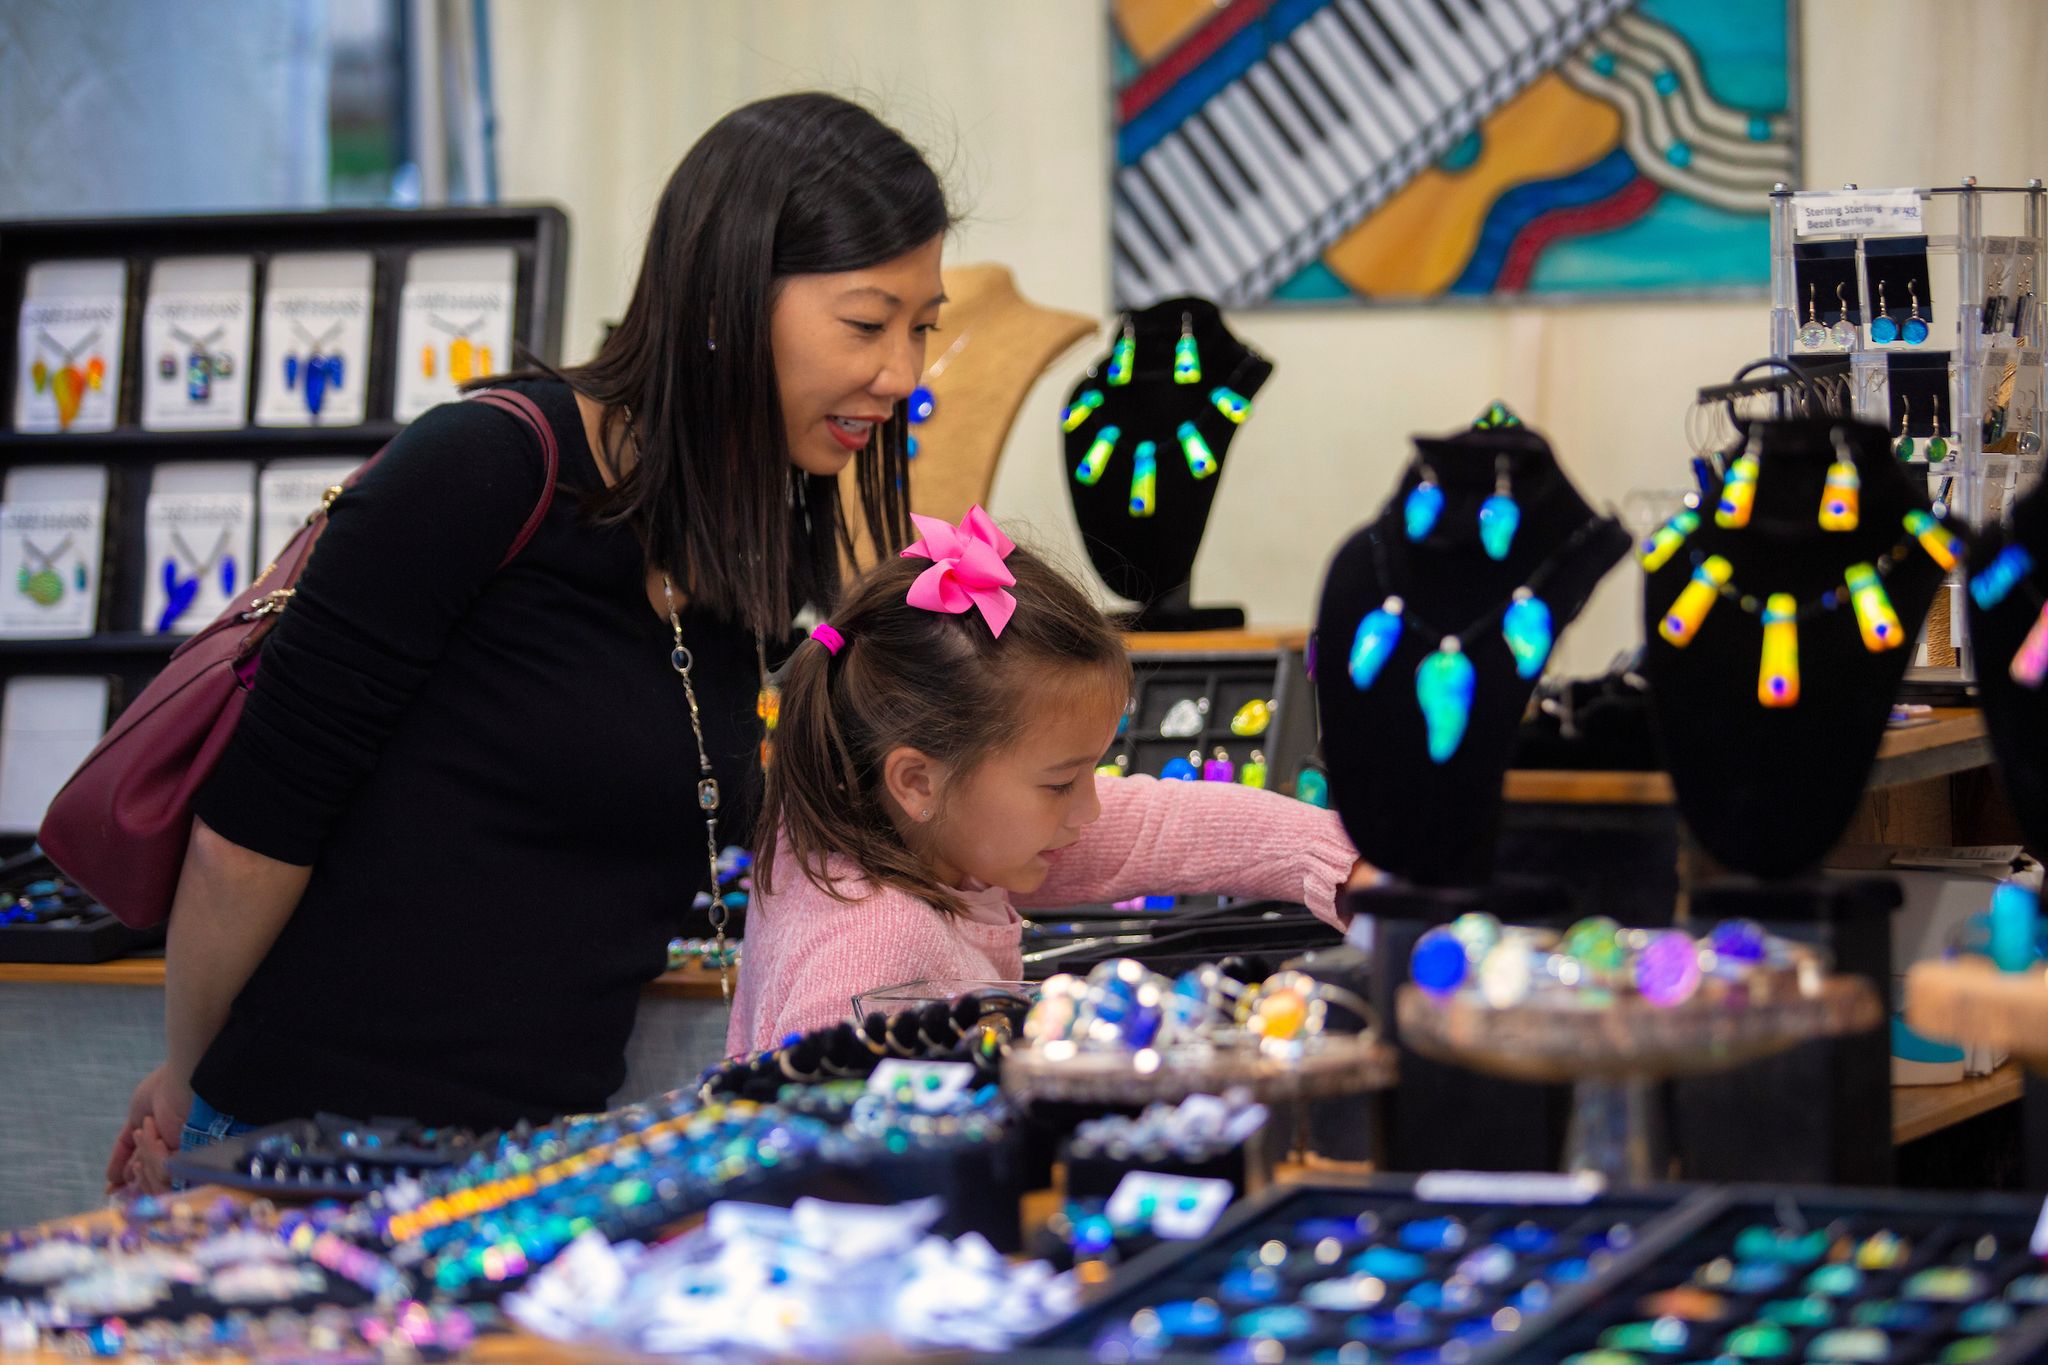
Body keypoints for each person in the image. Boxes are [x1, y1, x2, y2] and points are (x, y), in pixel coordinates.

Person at [107, 91, 951, 1190]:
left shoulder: (752, 531)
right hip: (306, 1158)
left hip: (528, 1173)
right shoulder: (482, 471)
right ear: (728, 298)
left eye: (922, 325)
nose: (903, 372)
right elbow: (249, 835)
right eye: (866, 322)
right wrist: (184, 1077)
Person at [730, 507, 1377, 1056]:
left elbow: (1155, 826)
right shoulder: (874, 946)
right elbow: (808, 1152)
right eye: (1062, 782)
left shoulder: (895, 829)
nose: (1090, 808)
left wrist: (1340, 861)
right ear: (916, 781)